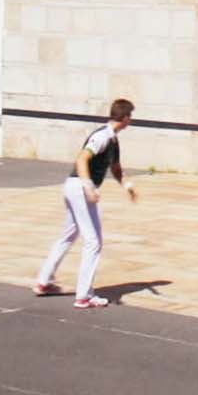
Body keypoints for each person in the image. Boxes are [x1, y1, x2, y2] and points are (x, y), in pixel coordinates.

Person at [36, 97, 137, 309]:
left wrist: (127, 186)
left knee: (69, 235)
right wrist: (88, 186)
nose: (131, 121)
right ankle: (84, 295)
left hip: (75, 188)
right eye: (131, 117)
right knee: (94, 241)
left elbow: (116, 168)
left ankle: (44, 282)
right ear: (125, 118)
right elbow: (82, 159)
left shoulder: (112, 140)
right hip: (79, 188)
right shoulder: (102, 136)